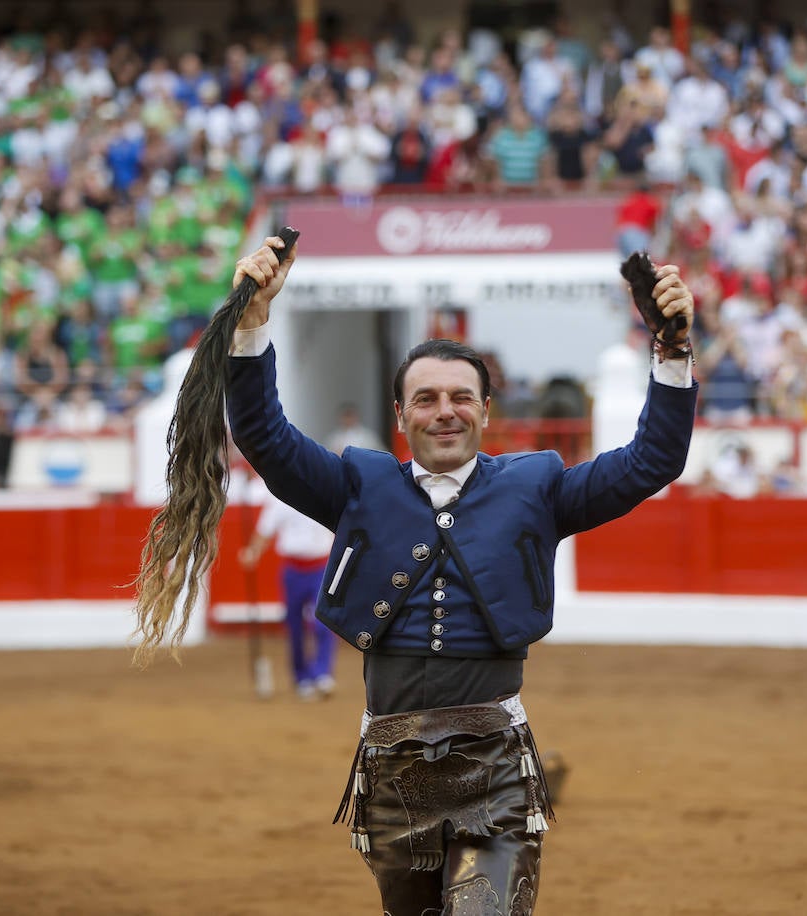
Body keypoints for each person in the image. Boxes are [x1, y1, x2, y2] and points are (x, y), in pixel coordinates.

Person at [222, 235, 696, 914]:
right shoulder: (358, 484)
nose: (444, 410)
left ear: (485, 409)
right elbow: (265, 436)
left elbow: (651, 460)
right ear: (400, 416)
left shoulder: (538, 486)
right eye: (426, 399)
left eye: (461, 396)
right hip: (391, 774)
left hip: (494, 770)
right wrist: (252, 324)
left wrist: (672, 354)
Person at [238, 494, 338, 701]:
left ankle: (322, 673)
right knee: (294, 624)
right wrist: (253, 552)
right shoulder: (281, 499)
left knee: (323, 621)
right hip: (293, 569)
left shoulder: (326, 493)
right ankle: (302, 677)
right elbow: (265, 530)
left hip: (321, 567)